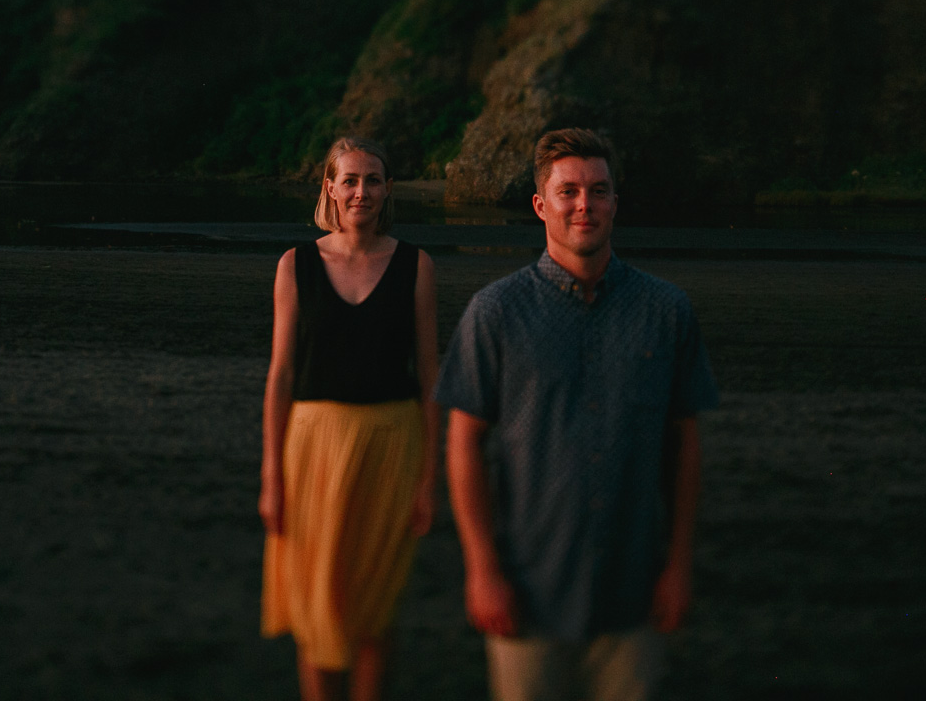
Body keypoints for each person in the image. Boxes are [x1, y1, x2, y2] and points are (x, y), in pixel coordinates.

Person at [437, 128, 718, 701]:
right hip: (528, 589)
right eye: (568, 192)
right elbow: (463, 443)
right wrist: (482, 569)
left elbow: (685, 443)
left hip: (632, 591)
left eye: (598, 190)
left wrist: (679, 565)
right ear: (541, 205)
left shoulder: (666, 310)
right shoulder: (495, 312)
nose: (584, 205)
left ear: (616, 201)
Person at [260, 136, 439, 701]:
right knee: (315, 600)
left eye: (374, 180)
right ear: (330, 189)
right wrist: (271, 475)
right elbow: (281, 375)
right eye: (351, 180)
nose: (362, 191)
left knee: (374, 601)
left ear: (387, 190)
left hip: (393, 442)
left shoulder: (416, 265)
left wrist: (430, 478)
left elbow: (433, 377)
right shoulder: (296, 265)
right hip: (311, 447)